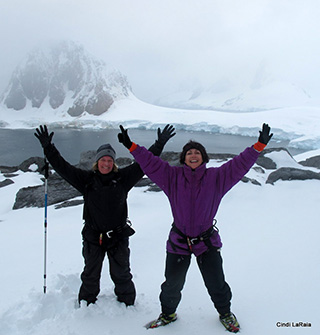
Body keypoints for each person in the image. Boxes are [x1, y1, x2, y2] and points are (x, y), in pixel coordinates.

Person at [118, 123, 273, 333]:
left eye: (197, 152)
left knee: (216, 283)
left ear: (203, 158)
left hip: (206, 241)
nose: (193, 155)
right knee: (172, 284)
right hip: (179, 241)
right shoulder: (171, 177)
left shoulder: (217, 178)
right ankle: (168, 314)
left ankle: (226, 313)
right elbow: (151, 164)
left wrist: (259, 145)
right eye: (189, 152)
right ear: (183, 158)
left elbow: (239, 164)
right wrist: (131, 146)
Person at [34, 124, 175, 307]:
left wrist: (159, 144)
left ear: (113, 163)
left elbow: (144, 163)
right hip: (93, 237)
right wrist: (48, 148)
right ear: (97, 162)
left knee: (121, 273)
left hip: (118, 236)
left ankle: (127, 304)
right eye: (103, 160)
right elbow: (63, 168)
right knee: (90, 274)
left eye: (110, 160)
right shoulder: (86, 180)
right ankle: (86, 304)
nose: (106, 164)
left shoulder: (123, 178)